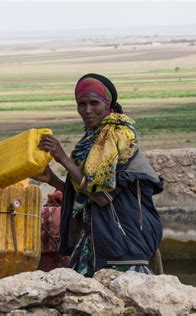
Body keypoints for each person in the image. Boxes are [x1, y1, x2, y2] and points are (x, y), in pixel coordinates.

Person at [33, 73, 163, 277]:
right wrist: (53, 180)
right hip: (98, 241)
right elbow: (85, 196)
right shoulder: (92, 143)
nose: (87, 110)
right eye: (81, 104)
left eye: (94, 103)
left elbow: (100, 197)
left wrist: (64, 160)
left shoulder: (117, 139)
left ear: (108, 104)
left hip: (122, 245)